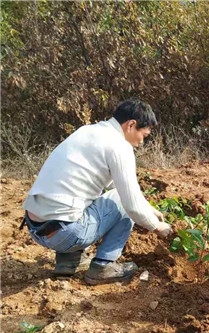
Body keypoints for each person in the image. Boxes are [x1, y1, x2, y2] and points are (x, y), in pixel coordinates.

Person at [21, 99, 172, 285]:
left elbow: (112, 188)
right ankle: (103, 266)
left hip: (36, 228)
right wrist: (157, 227)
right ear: (131, 125)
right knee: (120, 202)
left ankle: (66, 263)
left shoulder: (86, 131)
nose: (142, 142)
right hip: (65, 234)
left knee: (88, 194)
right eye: (144, 134)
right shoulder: (120, 147)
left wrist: (150, 209)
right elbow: (131, 204)